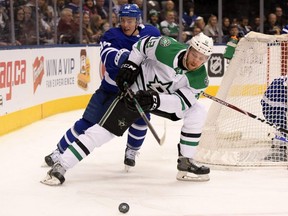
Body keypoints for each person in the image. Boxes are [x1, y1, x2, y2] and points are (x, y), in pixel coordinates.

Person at [41, 32, 214, 186]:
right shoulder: (166, 47)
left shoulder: (200, 79)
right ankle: (62, 165)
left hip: (161, 101)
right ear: (189, 48)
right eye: (195, 55)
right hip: (134, 94)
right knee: (102, 132)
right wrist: (131, 64)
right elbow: (141, 45)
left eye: (202, 59)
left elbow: (181, 104)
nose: (196, 61)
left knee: (198, 111)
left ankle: (186, 161)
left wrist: (155, 100)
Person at [43, 4, 161, 170]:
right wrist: (129, 58)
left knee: (142, 120)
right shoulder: (112, 35)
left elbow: (161, 54)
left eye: (130, 20)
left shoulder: (151, 34)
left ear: (137, 21)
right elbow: (107, 56)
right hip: (110, 90)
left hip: (135, 92)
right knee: (86, 123)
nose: (126, 24)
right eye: (123, 20)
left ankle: (132, 151)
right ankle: (59, 151)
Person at [261, 76, 287, 162]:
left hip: (275, 109)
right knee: (282, 125)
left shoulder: (279, 81)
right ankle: (279, 140)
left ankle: (279, 138)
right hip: (271, 111)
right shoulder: (278, 88)